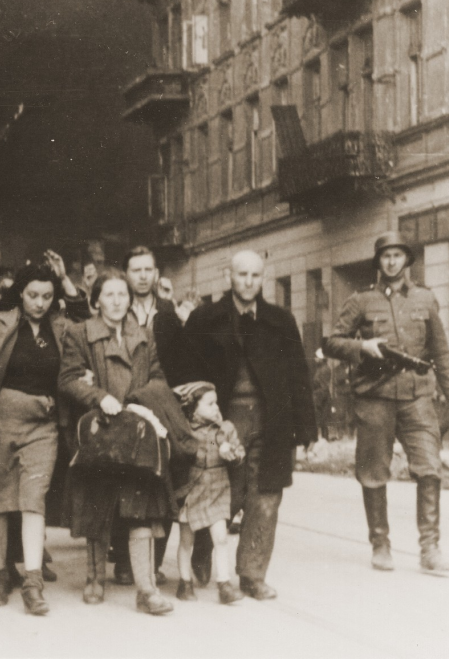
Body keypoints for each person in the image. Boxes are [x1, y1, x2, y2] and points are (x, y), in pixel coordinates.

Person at [0, 251, 90, 615]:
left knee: (32, 500)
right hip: (1, 424)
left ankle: (33, 581)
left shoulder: (62, 327)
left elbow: (88, 321)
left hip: (44, 426)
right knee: (0, 503)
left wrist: (66, 280)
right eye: (32, 295)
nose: (39, 303)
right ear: (20, 293)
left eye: (46, 296)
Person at [324, 231, 449, 575]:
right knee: (373, 473)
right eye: (385, 256)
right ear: (378, 262)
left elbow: (440, 352)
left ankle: (430, 549)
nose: (391, 261)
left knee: (430, 468)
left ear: (407, 260)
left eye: (397, 255)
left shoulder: (425, 299)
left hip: (417, 398)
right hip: (374, 397)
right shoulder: (360, 301)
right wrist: (362, 348)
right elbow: (332, 342)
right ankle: (380, 544)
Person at [183, 250, 317, 600]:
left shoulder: (280, 320)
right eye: (242, 275)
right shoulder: (204, 318)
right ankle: (202, 548)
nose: (248, 282)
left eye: (255, 276)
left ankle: (252, 574)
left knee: (266, 496)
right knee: (219, 491)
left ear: (263, 278)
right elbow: (185, 373)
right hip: (221, 418)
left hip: (272, 419)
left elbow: (298, 375)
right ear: (229, 275)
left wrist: (307, 430)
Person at [59, 267, 181, 615]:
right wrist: (98, 396)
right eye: (109, 295)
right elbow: (68, 379)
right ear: (95, 301)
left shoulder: (143, 334)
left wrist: (139, 402)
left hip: (136, 430)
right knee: (98, 505)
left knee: (141, 507)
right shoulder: (80, 334)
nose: (116, 301)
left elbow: (158, 378)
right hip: (101, 431)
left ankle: (146, 590)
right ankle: (94, 578)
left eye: (122, 295)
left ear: (130, 300)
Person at [122, 246, 201, 585]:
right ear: (126, 274)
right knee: (128, 479)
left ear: (156, 275)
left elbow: (182, 359)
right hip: (125, 400)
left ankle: (152, 562)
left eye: (147, 270)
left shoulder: (168, 314)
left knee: (164, 477)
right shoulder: (118, 309)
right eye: (135, 269)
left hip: (163, 403)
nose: (142, 276)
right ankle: (127, 560)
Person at [171, 381, 245, 605]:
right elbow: (178, 457)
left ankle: (224, 584)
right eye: (209, 403)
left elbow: (240, 452)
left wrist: (232, 452)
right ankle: (185, 582)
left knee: (221, 539)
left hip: (217, 487)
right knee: (186, 541)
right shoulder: (185, 430)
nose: (216, 407)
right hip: (193, 490)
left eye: (216, 403)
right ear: (193, 408)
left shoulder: (225, 429)